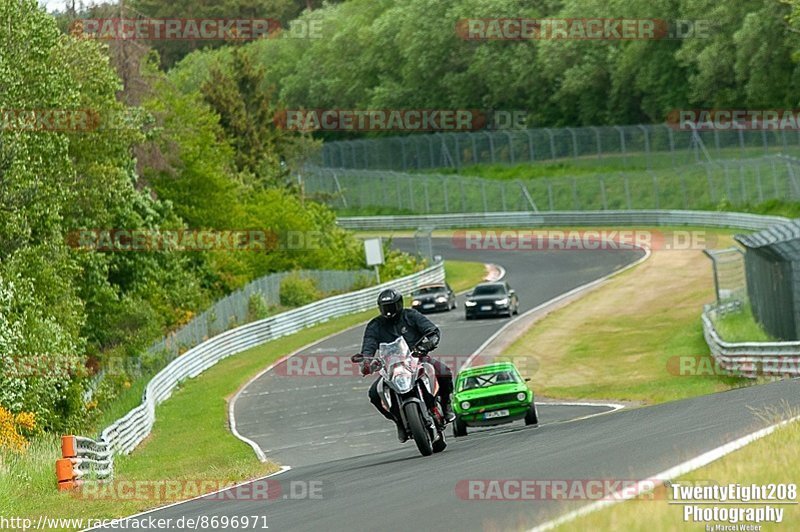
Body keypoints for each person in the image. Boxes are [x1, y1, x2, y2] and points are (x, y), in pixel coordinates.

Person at [358, 288, 455, 442]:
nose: (389, 311)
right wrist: (367, 361)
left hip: (418, 359)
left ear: (399, 304)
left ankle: (446, 403)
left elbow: (431, 330)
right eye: (385, 307)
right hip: (390, 367)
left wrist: (428, 342)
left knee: (444, 371)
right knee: (374, 394)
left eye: (391, 306)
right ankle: (398, 421)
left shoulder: (411, 315)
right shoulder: (375, 325)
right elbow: (368, 346)